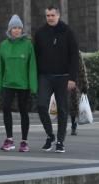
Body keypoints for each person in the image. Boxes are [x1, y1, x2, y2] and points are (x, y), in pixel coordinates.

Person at [33, 5, 80, 153]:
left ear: (58, 15)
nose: (50, 18)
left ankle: (60, 140)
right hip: (45, 76)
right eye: (48, 16)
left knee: (62, 109)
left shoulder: (67, 32)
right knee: (41, 105)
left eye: (53, 15)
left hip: (63, 77)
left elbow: (74, 56)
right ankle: (50, 135)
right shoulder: (40, 33)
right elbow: (35, 56)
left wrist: (72, 78)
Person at [0, 15, 38, 153]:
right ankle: (9, 139)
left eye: (19, 28)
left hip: (23, 85)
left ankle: (24, 141)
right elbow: (0, 68)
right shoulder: (3, 45)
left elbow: (32, 66)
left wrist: (33, 86)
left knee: (23, 111)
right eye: (14, 28)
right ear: (10, 29)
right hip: (8, 83)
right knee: (6, 108)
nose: (17, 30)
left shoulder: (28, 45)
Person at [67, 51, 89, 137]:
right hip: (67, 81)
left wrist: (84, 85)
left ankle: (73, 125)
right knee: (70, 105)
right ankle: (72, 126)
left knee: (71, 105)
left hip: (73, 82)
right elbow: (82, 69)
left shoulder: (76, 53)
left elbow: (82, 69)